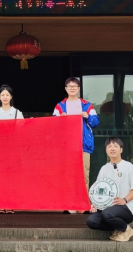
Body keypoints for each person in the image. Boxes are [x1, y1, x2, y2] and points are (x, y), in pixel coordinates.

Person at [53, 76, 100, 212]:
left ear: (79, 88)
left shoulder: (87, 105)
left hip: (83, 145)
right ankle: (69, 205)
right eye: (70, 86)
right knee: (68, 175)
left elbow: (96, 122)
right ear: (66, 88)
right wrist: (60, 120)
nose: (72, 88)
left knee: (84, 175)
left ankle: (83, 205)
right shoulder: (60, 106)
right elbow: (53, 125)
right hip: (66, 146)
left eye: (75, 86)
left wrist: (88, 116)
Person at [86, 138, 133, 242]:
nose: (112, 148)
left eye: (115, 146)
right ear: (106, 150)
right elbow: (98, 189)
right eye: (109, 146)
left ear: (121, 150)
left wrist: (124, 200)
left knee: (107, 214)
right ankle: (117, 228)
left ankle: (126, 229)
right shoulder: (104, 168)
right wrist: (95, 204)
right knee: (92, 221)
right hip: (106, 207)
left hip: (125, 207)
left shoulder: (128, 166)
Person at [0, 84, 24, 214]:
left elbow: (21, 130)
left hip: (13, 149)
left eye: (7, 95)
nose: (5, 97)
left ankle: (10, 204)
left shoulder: (17, 113)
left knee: (12, 177)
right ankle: (0, 204)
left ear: (11, 97)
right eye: (2, 95)